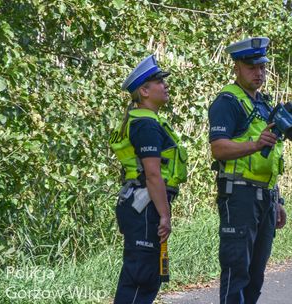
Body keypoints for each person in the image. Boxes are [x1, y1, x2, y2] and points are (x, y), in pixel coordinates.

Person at [208, 37, 287, 304]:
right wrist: (254, 144)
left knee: (256, 276)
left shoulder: (263, 104)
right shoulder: (227, 102)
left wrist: (278, 199)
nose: (259, 72)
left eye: (262, 67)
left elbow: (271, 157)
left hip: (265, 198)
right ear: (237, 68)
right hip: (239, 196)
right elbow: (218, 148)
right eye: (251, 67)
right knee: (237, 273)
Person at [109, 55, 188, 304]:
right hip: (145, 207)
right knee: (141, 278)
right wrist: (165, 215)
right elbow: (153, 174)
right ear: (144, 91)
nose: (165, 86)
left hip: (139, 205)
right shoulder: (145, 125)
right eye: (158, 82)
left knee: (146, 276)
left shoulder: (144, 120)